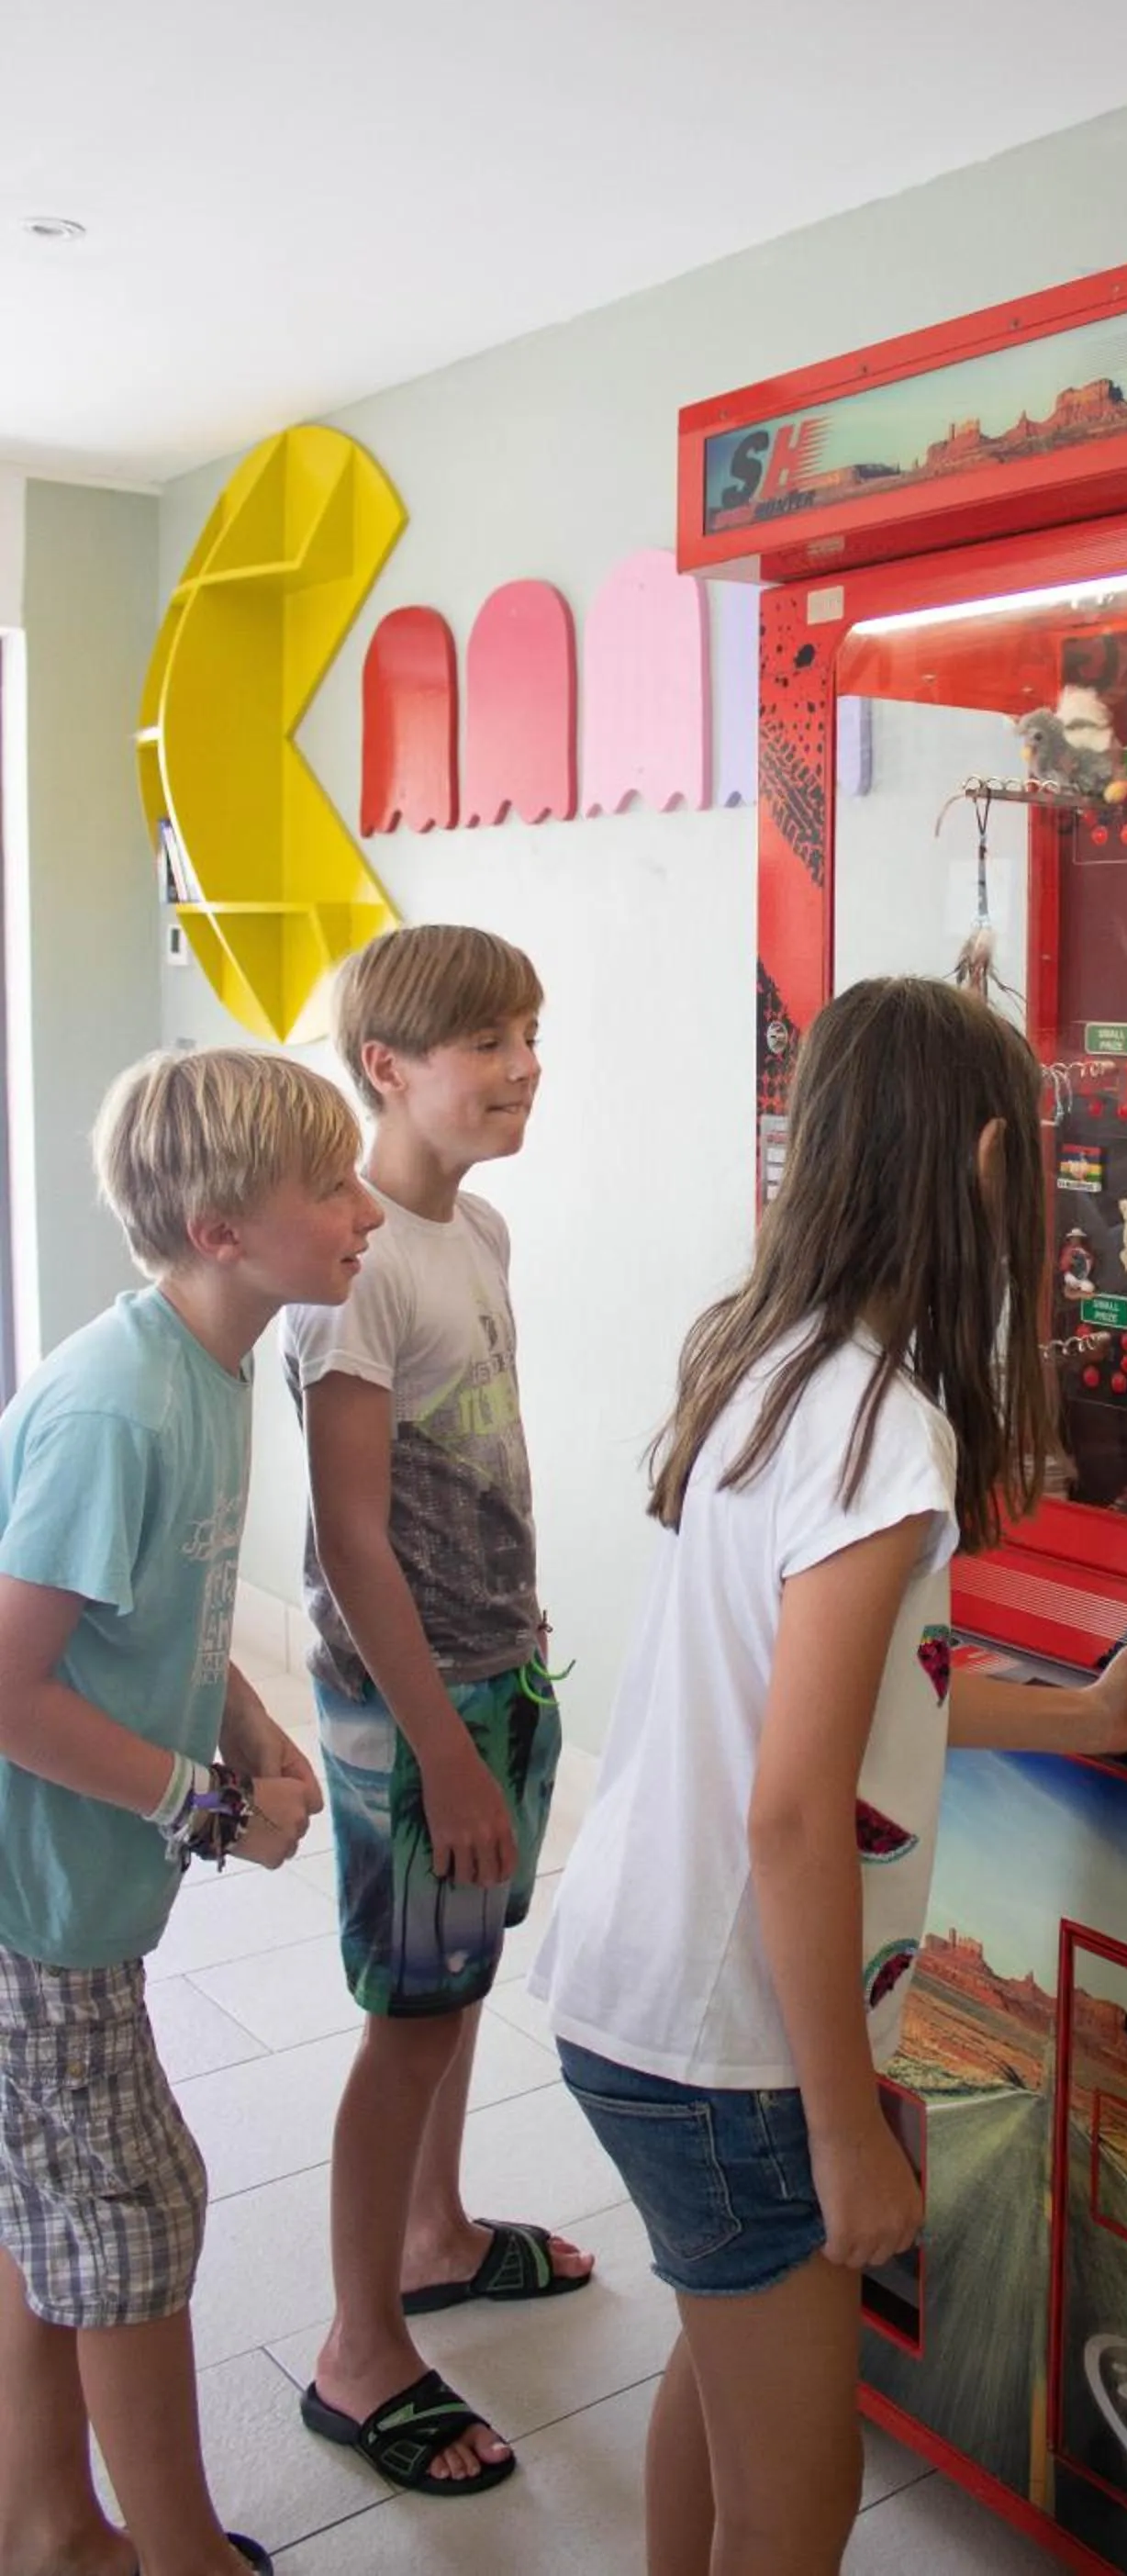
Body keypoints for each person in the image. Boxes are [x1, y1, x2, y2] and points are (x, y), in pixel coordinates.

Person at [533, 976, 1127, 2576]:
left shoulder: (764, 1361)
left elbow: (857, 1712)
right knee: (802, 2499)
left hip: (633, 1988)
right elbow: (794, 1810)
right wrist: (844, 2126)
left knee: (719, 2374)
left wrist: (1086, 1718)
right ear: (987, 1164)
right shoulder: (884, 1436)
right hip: (731, 2048)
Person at [0, 1045, 379, 2576]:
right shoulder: (117, 1408)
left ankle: (46, 2526)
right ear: (221, 1231)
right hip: (30, 1909)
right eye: (330, 1187)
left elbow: (165, 1598)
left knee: (54, 2208)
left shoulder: (210, 1368)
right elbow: (8, 1687)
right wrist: (206, 1809)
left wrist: (249, 1726)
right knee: (136, 2211)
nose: (365, 1210)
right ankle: (176, 2554)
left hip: (70, 1896)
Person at [284, 924, 589, 2500]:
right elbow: (351, 1546)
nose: (526, 1065)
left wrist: (503, 1679)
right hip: (415, 1714)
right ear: (387, 1068)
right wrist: (448, 1751)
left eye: (530, 1032)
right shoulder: (358, 1266)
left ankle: (436, 2235)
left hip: (490, 1671)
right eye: (489, 1041)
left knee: (455, 1988)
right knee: (407, 2024)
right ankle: (358, 2348)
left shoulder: (478, 1230)